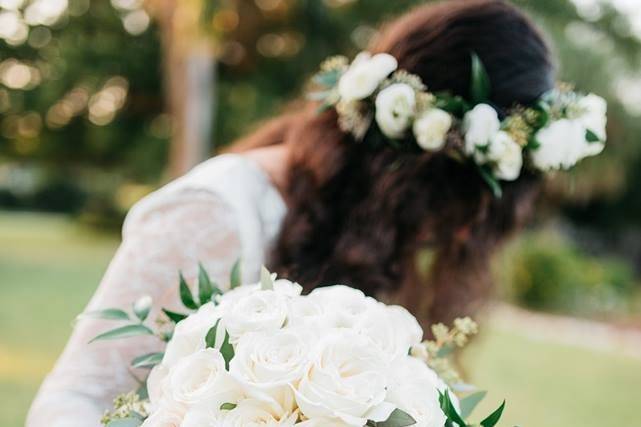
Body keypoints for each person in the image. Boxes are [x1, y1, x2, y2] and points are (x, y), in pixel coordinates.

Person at [28, 1, 558, 425]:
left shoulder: (369, 229)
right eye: (455, 199)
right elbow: (71, 400)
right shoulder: (216, 213)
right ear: (410, 165)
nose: (457, 229)